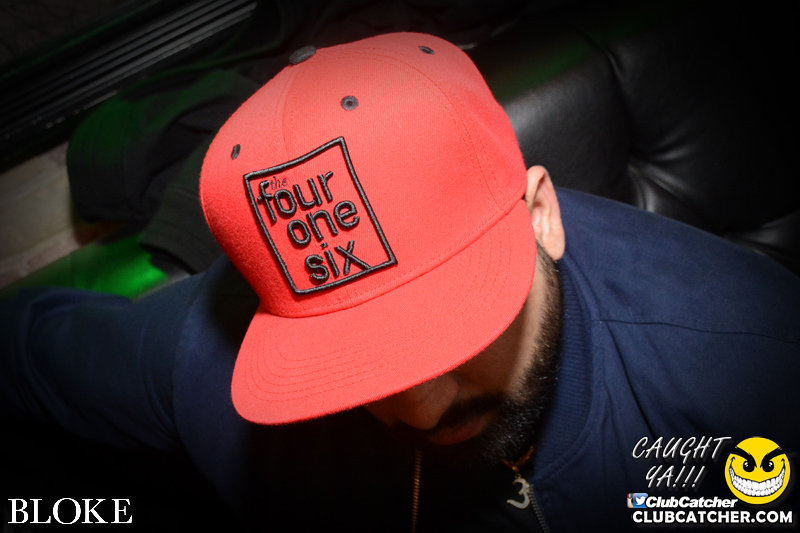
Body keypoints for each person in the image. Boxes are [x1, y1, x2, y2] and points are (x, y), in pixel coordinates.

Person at [2, 32, 799, 533]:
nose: (418, 409)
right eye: (349, 359)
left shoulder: (752, 368)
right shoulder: (208, 359)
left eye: (448, 324)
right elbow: (32, 351)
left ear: (540, 216)